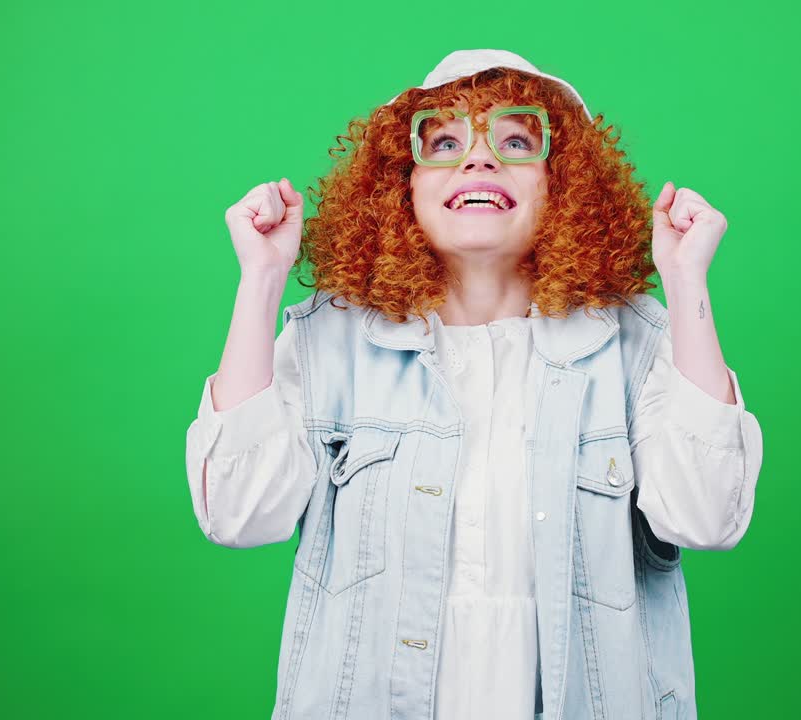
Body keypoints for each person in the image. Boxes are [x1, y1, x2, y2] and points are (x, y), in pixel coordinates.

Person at [185, 49, 764, 720]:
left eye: (516, 140)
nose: (480, 158)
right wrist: (260, 278)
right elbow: (237, 514)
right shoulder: (329, 345)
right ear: (402, 186)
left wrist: (687, 279)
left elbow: (708, 516)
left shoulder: (633, 348)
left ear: (562, 184)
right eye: (446, 142)